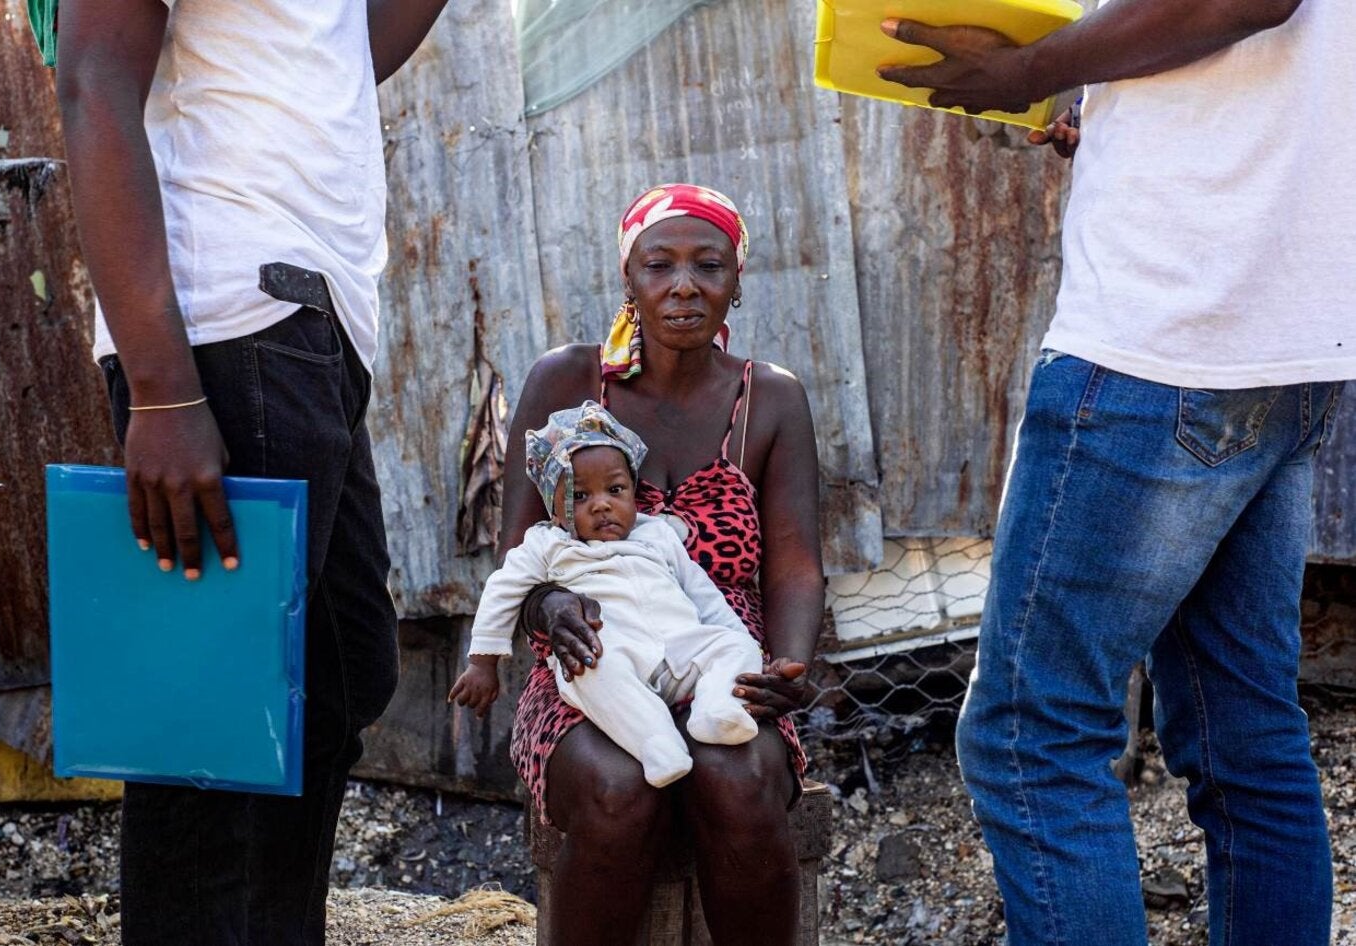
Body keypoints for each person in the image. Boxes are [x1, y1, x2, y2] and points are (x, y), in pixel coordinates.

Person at [877, 2, 1353, 944]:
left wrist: (1030, 69)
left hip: (1166, 340)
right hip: (1285, 337)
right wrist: (1118, 106)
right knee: (1245, 738)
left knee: (1031, 738)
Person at [55, 1, 450, 942]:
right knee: (209, 725)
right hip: (227, 323)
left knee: (345, 672)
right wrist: (160, 389)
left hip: (313, 319)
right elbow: (94, 80)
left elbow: (343, 57)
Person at [497, 183, 824, 946]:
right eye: (659, 266)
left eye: (708, 265)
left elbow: (796, 567)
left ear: (736, 279)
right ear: (629, 280)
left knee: (736, 779)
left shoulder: (769, 400)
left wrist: (789, 666)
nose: (683, 286)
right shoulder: (567, 383)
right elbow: (515, 552)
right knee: (618, 788)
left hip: (721, 653)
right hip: (591, 659)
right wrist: (546, 607)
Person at [450, 401, 762, 787]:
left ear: (633, 492)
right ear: (555, 510)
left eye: (615, 490)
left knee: (736, 646)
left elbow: (704, 595)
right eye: (579, 497)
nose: (601, 504)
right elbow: (502, 589)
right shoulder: (546, 544)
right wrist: (483, 662)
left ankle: (716, 708)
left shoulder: (657, 534)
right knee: (586, 672)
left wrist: (742, 642)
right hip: (611, 651)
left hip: (682, 647)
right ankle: (656, 744)